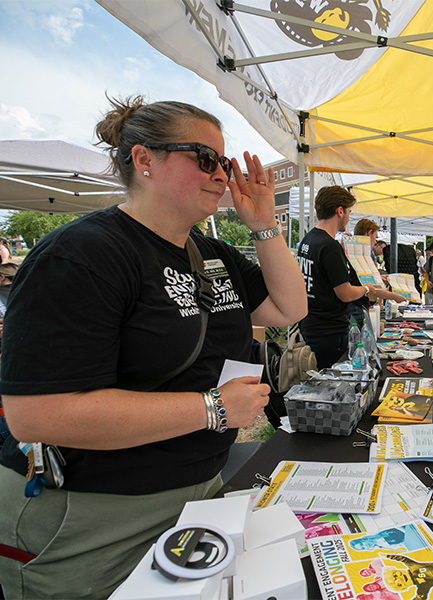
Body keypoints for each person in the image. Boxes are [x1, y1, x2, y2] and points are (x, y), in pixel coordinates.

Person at [0, 96, 308, 599]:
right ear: (144, 160)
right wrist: (212, 407)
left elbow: (289, 308)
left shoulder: (214, 253)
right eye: (205, 158)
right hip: (94, 512)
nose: (221, 175)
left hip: (197, 492)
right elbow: (37, 416)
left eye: (225, 163)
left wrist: (264, 225)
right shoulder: (82, 254)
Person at [297, 186, 379, 368]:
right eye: (349, 212)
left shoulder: (308, 240)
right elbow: (345, 293)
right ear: (339, 211)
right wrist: (367, 289)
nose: (349, 217)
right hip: (329, 331)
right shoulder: (329, 246)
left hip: (311, 324)